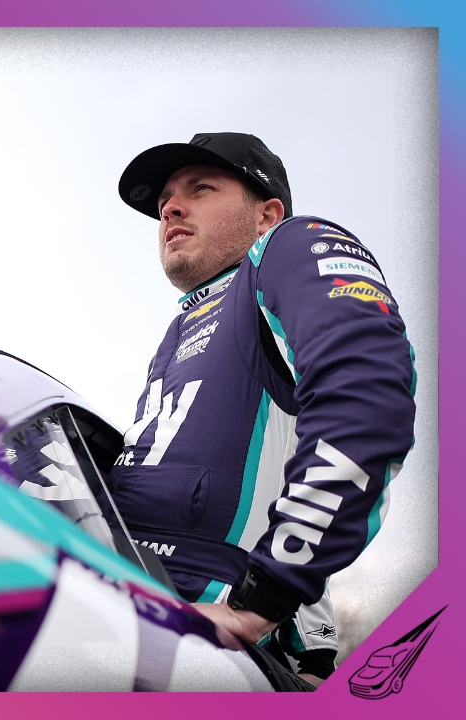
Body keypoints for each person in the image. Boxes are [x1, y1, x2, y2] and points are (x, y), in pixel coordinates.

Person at [107, 133, 416, 687]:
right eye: (165, 202)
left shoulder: (288, 247)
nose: (171, 208)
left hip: (203, 651)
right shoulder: (178, 333)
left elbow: (365, 396)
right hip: (113, 616)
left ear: (266, 214)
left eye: (201, 189)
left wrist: (271, 592)